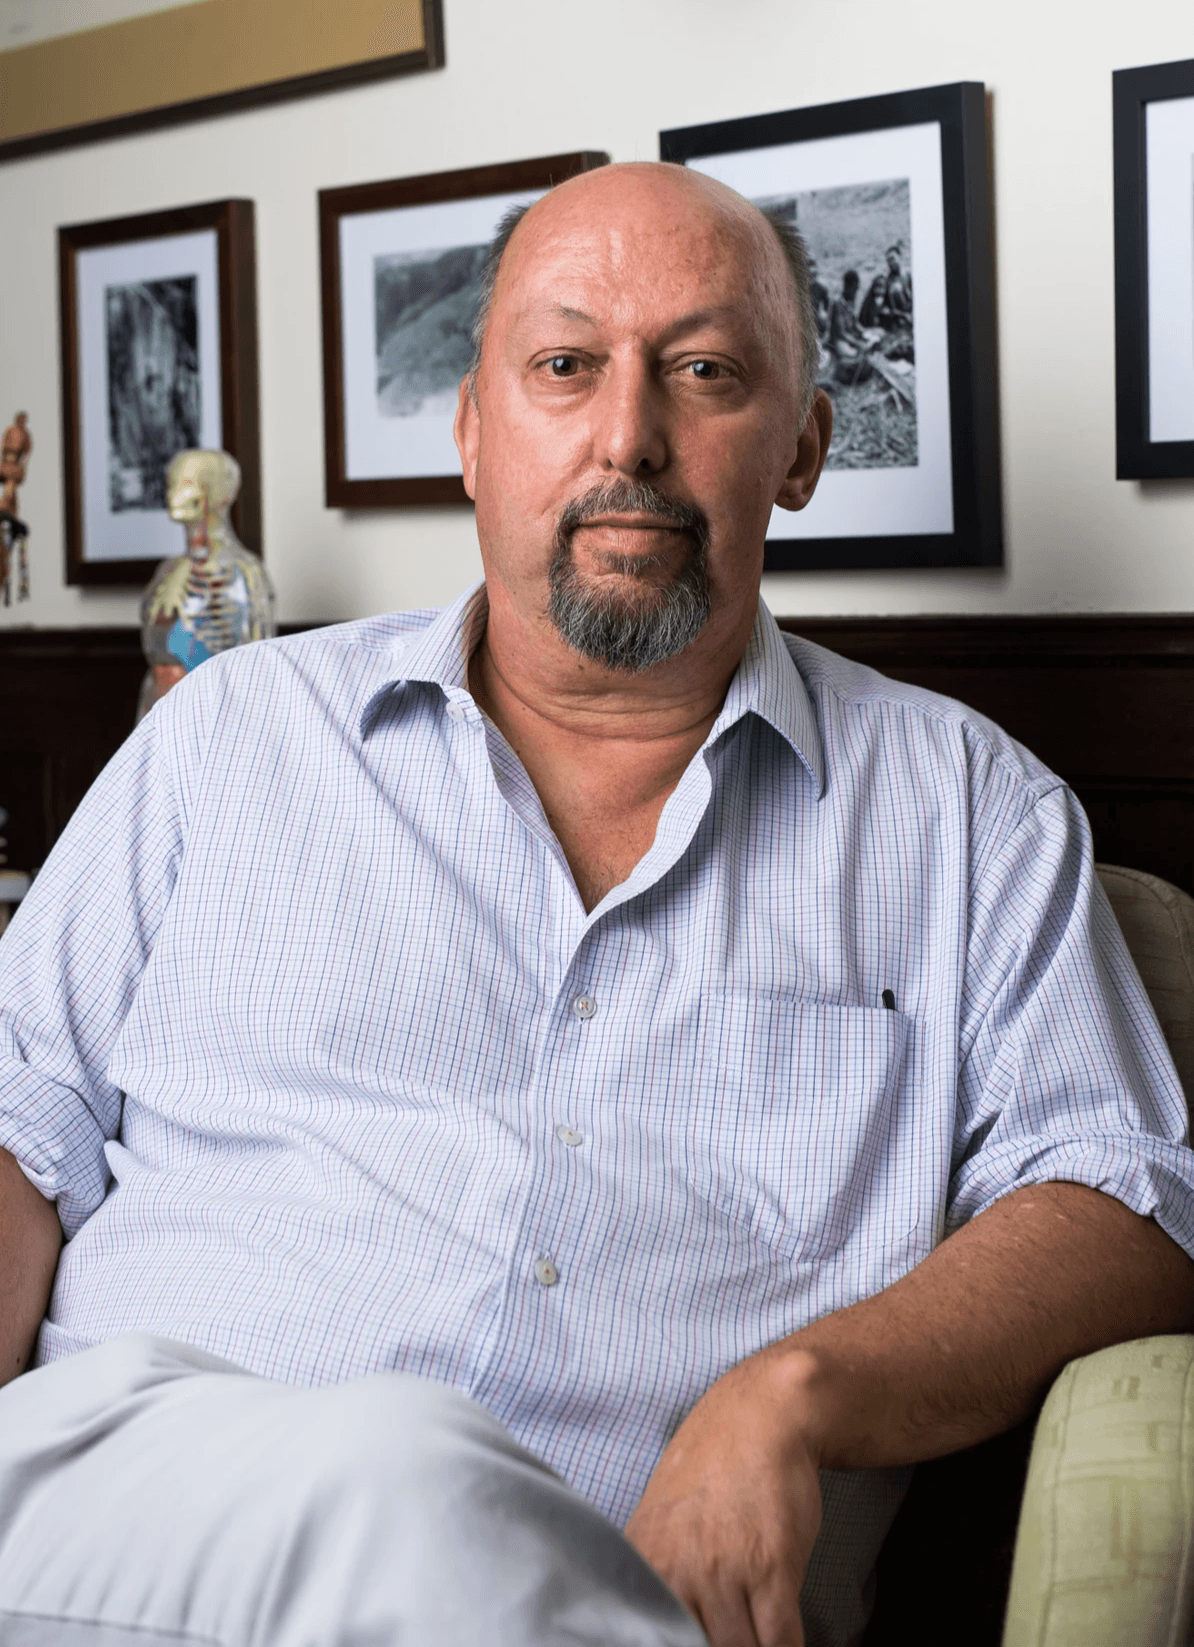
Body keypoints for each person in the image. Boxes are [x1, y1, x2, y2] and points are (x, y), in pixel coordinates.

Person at [0, 161, 1191, 1647]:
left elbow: (1125, 1198)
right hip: (109, 1514)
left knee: (423, 1487)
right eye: (565, 367)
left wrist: (789, 1391)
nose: (626, 436)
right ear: (473, 430)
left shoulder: (968, 816)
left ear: (803, 445)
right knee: (395, 1469)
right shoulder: (224, 737)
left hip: (576, 1590)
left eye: (701, 372)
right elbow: (16, 1122)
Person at [882, 245, 912, 328]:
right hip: (899, 316)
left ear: (900, 257)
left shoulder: (908, 275)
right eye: (888, 261)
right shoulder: (887, 281)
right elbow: (884, 306)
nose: (891, 263)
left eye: (892, 259)